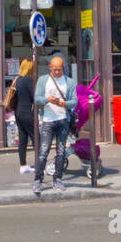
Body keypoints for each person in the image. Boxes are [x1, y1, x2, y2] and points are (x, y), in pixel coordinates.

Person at [32, 55, 77, 197]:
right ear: (50, 68)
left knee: (61, 151)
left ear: (63, 68)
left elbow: (74, 101)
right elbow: (36, 98)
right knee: (44, 150)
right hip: (47, 120)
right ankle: (38, 180)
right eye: (55, 69)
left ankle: (57, 179)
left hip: (63, 119)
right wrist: (47, 99)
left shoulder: (69, 82)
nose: (57, 72)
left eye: (60, 69)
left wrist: (65, 103)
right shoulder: (43, 80)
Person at [11, 59, 36, 175]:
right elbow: (35, 97)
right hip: (27, 113)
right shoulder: (29, 80)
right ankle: (40, 164)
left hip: (18, 112)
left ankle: (23, 165)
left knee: (23, 138)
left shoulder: (17, 80)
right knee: (37, 138)